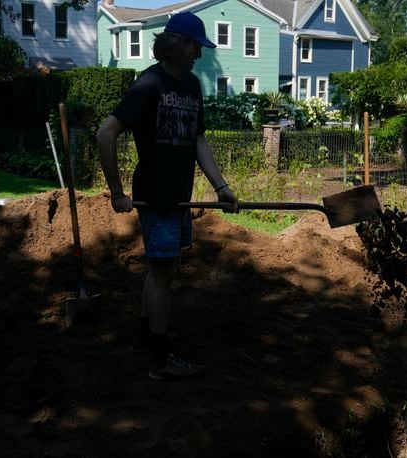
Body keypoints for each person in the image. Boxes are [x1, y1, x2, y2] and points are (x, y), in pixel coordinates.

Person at [97, 11, 238, 380]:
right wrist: (116, 192)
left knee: (165, 270)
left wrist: (221, 188)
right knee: (161, 274)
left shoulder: (191, 85)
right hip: (155, 197)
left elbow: (198, 140)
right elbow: (105, 134)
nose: (201, 55)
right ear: (179, 44)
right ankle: (160, 361)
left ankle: (144, 339)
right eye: (196, 47)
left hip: (180, 197)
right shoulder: (149, 84)